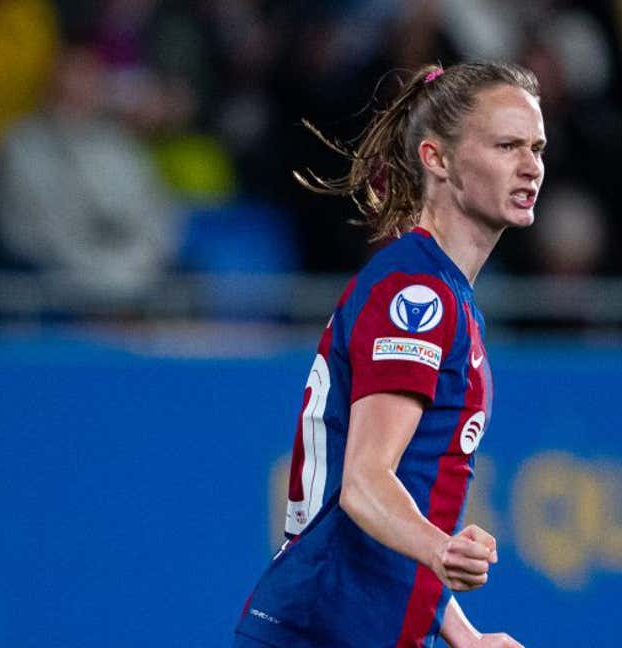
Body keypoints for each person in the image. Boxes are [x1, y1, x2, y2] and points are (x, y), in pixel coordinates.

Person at [234, 61, 541, 648]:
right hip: (324, 628)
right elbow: (367, 483)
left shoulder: (442, 290)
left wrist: (462, 634)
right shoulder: (417, 293)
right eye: (506, 145)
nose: (531, 166)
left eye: (536, 147)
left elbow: (404, 498)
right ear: (438, 159)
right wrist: (442, 549)